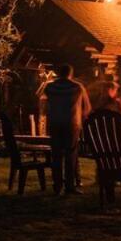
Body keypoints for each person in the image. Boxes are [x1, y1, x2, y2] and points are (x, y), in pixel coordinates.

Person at [38, 64, 89, 195]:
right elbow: (86, 108)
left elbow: (43, 104)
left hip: (55, 123)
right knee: (70, 154)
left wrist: (47, 112)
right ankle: (70, 186)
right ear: (70, 73)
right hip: (72, 124)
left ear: (58, 73)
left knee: (56, 154)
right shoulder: (77, 87)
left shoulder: (50, 87)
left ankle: (57, 185)